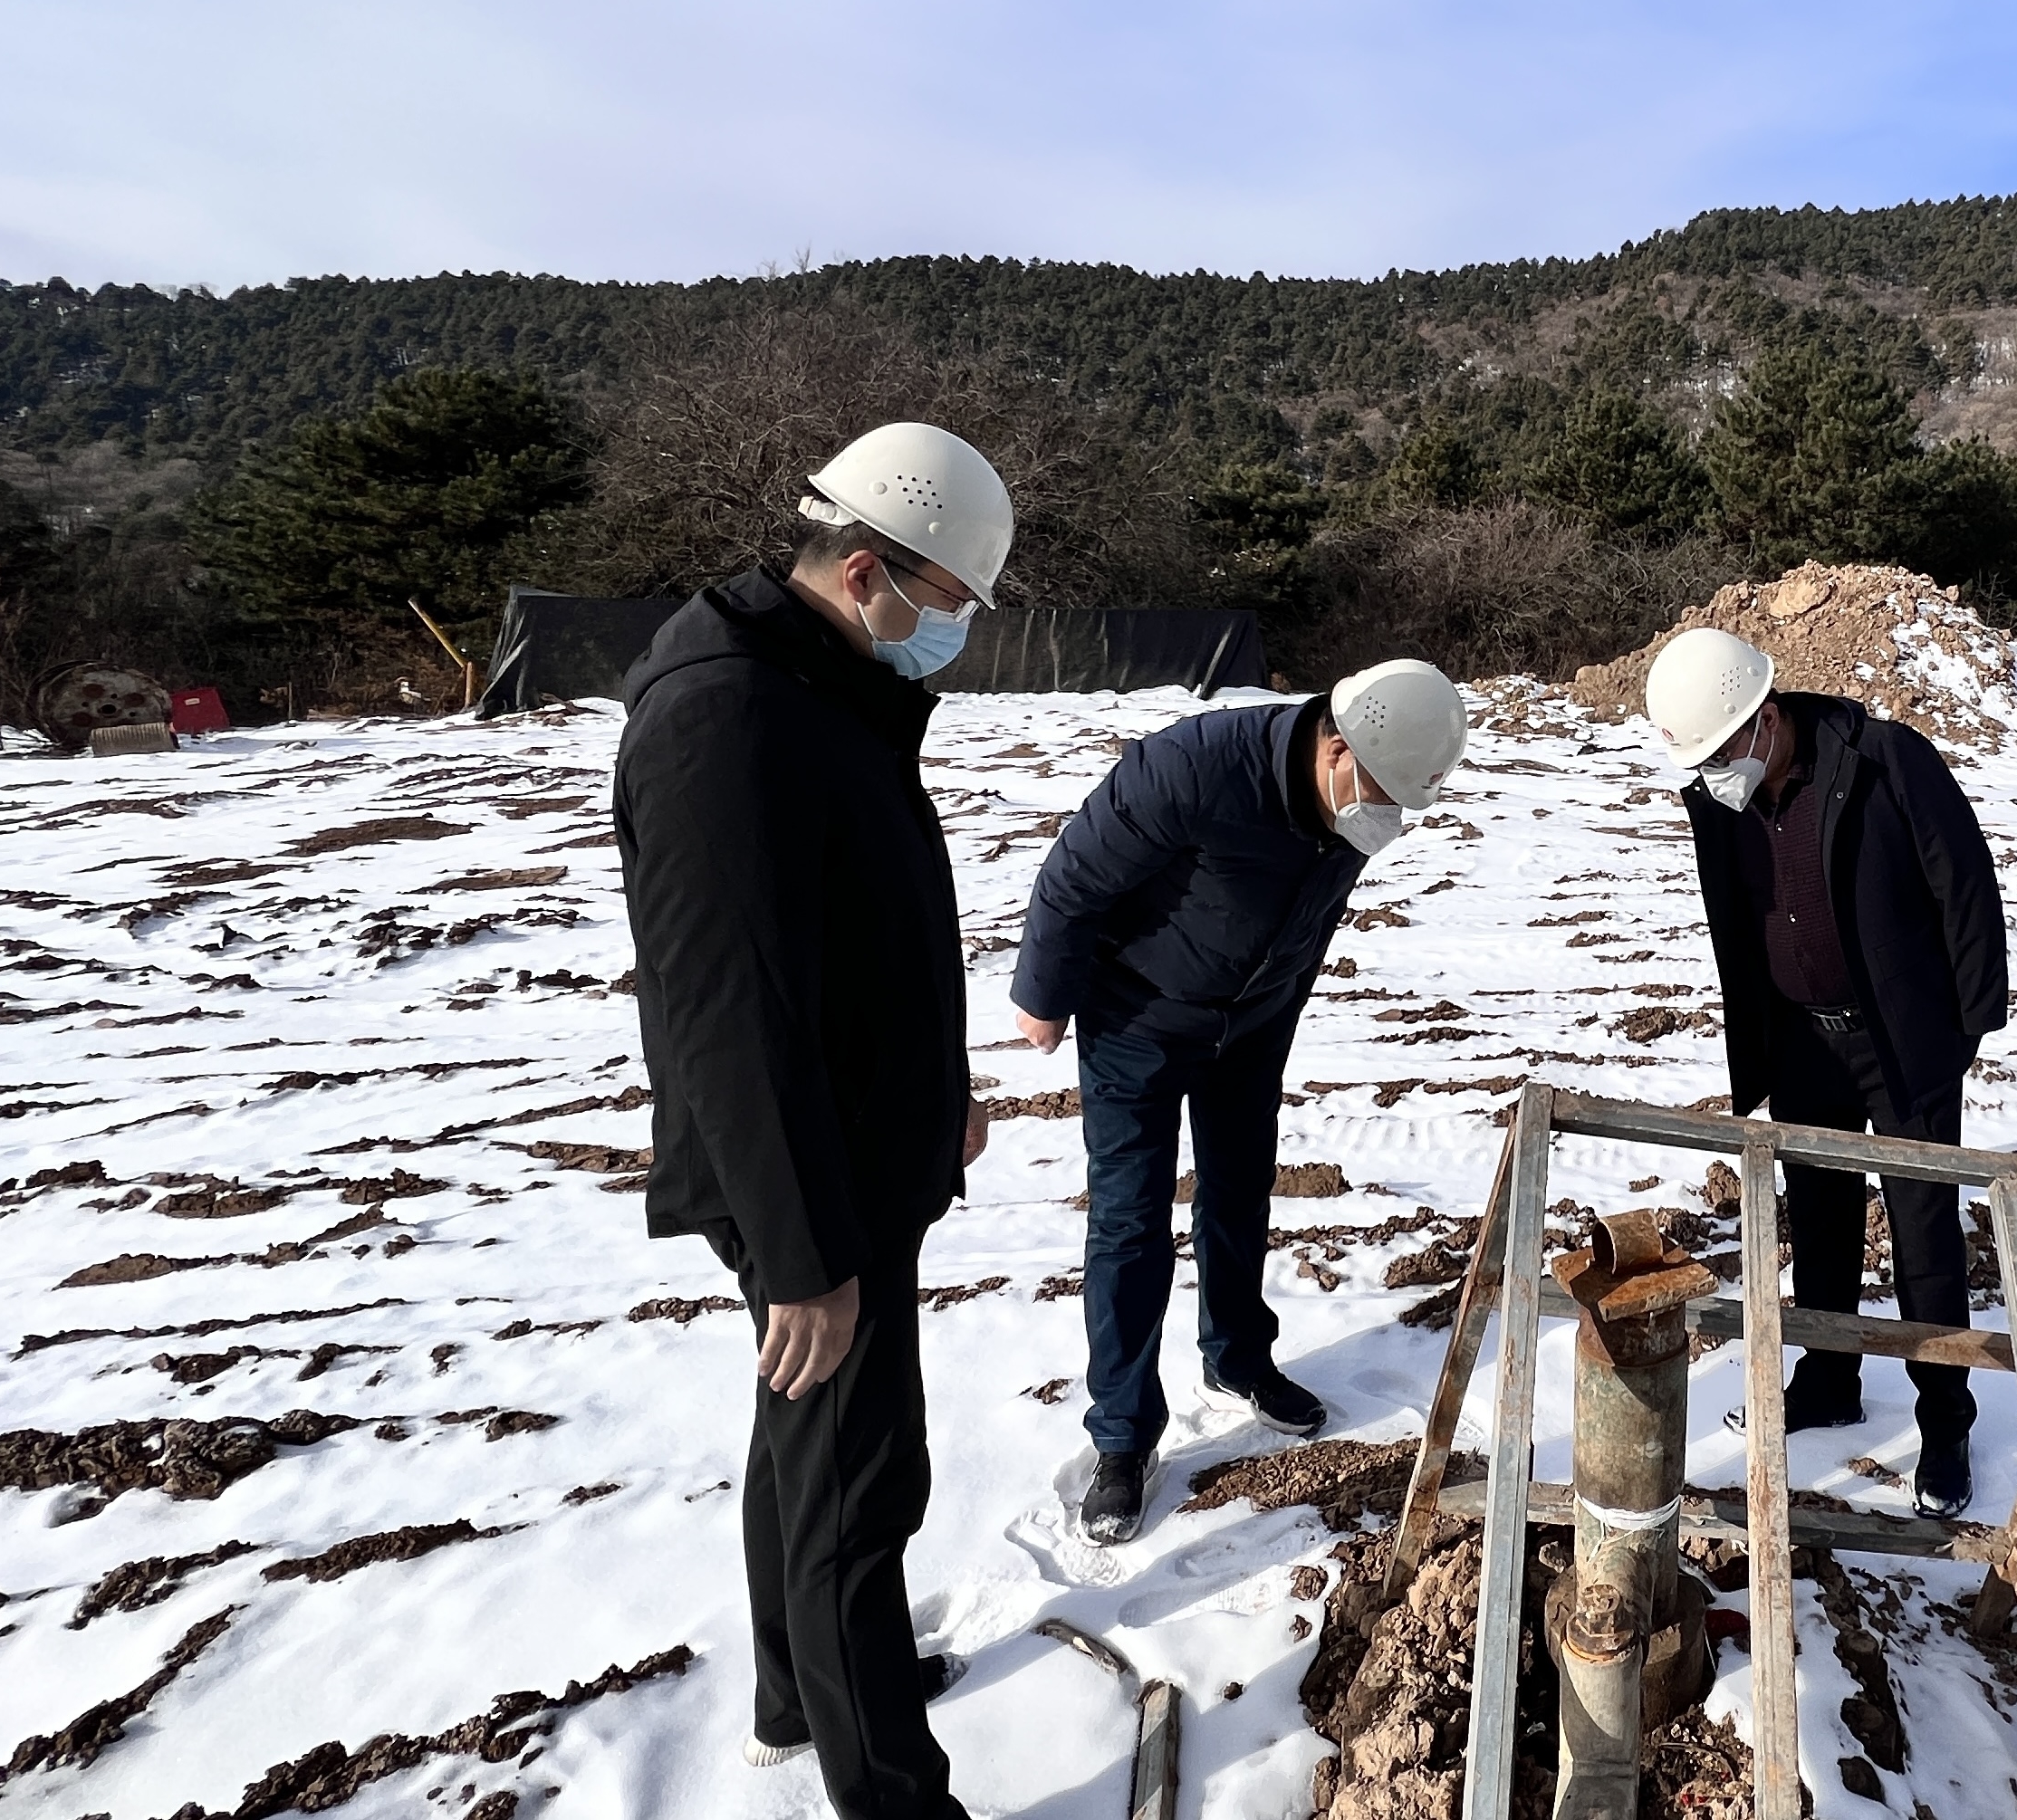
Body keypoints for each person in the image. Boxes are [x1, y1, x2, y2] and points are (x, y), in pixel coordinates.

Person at [615, 421, 1010, 1820]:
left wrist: (932, 1097)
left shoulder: (814, 678)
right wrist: (802, 1258)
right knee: (857, 1489)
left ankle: (796, 1694)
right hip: (812, 1190)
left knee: (804, 1448)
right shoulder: (724, 717)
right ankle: (896, 1795)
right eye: (947, 605)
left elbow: (853, 939)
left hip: (857, 1148)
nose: (951, 635)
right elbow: (726, 1014)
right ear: (865, 571)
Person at [1010, 656, 1469, 1546]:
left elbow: (1307, 920)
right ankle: (1121, 1437)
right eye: (1378, 789)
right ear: (1334, 745)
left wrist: (1274, 1008)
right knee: (1130, 1220)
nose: (1388, 815)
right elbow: (1074, 877)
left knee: (1239, 1190)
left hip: (1250, 1025)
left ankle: (1238, 1359)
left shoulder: (1351, 807)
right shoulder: (1190, 768)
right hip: (1137, 1018)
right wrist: (1043, 996)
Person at [1647, 627, 2008, 1518]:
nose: (1712, 771)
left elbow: (1963, 885)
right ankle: (1830, 1377)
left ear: (1765, 718)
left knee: (1924, 1240)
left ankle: (1946, 1421)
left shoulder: (1883, 759)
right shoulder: (1725, 800)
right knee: (1821, 1219)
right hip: (1805, 1042)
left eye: (1721, 749)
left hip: (1901, 1040)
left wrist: (1960, 1034)